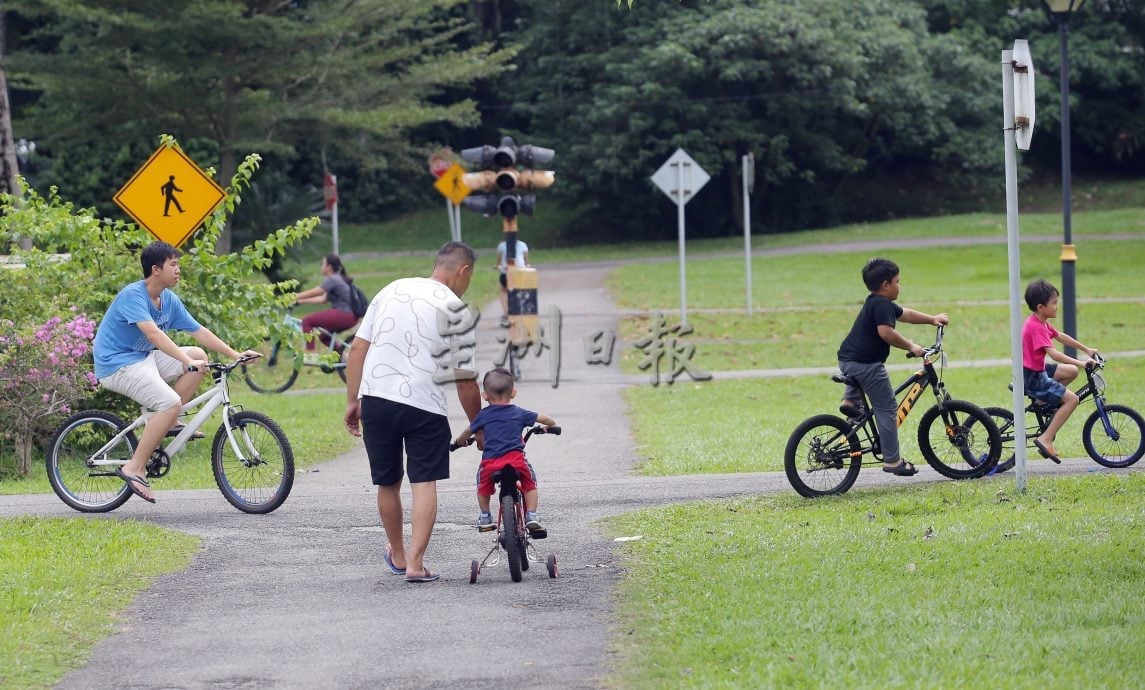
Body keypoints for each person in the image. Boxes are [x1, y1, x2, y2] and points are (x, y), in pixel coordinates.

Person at [344, 241, 482, 583]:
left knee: (388, 482)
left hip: (376, 399)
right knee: (424, 483)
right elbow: (465, 380)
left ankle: (398, 552)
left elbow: (358, 348)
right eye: (470, 278)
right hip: (425, 405)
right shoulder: (456, 308)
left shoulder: (392, 289)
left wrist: (352, 401)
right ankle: (416, 564)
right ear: (462, 272)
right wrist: (478, 425)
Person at [93, 240, 261, 503]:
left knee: (198, 356)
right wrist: (183, 359)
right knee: (171, 401)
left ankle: (168, 421)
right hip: (117, 364)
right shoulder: (133, 296)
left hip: (143, 358)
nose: (178, 269)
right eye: (174, 264)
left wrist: (235, 354)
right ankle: (134, 467)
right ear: (156, 269)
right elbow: (152, 333)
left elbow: (198, 331)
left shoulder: (168, 299)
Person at [837, 258, 948, 476]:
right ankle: (893, 461)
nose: (900, 285)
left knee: (866, 387)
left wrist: (932, 319)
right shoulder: (881, 305)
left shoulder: (876, 302)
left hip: (847, 360)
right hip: (866, 365)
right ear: (886, 285)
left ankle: (850, 401)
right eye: (898, 281)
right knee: (887, 408)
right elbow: (886, 333)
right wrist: (912, 346)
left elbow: (905, 314)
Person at [452, 367, 556, 537]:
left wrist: (459, 442)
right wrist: (550, 425)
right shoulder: (519, 412)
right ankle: (531, 515)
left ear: (484, 396)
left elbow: (467, 432)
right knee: (530, 483)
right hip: (516, 461)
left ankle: (485, 516)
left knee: (482, 485)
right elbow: (544, 418)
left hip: (490, 464)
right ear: (513, 393)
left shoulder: (483, 416)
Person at [1022, 278, 1098, 464]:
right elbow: (1054, 354)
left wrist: (1086, 349)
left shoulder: (1039, 322)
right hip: (1034, 378)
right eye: (1054, 303)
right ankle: (1045, 438)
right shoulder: (1036, 327)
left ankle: (1043, 401)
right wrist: (1083, 362)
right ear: (1041, 307)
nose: (1057, 306)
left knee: (1070, 371)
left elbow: (1060, 336)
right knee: (1072, 399)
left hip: (1035, 370)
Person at [294, 254, 359, 363]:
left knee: (307, 321)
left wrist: (294, 296)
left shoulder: (333, 279)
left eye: (323, 263)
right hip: (349, 317)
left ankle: (311, 355)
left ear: (329, 266)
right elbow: (322, 299)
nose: (321, 266)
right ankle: (343, 358)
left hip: (343, 314)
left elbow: (317, 291)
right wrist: (301, 301)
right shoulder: (337, 278)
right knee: (324, 336)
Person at [494, 237, 529, 328]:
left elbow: (498, 262)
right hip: (520, 273)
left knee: (503, 290)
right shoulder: (523, 244)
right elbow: (526, 261)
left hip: (506, 273)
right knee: (520, 291)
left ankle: (506, 311)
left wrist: (497, 266)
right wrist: (527, 265)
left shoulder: (502, 245)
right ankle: (520, 311)